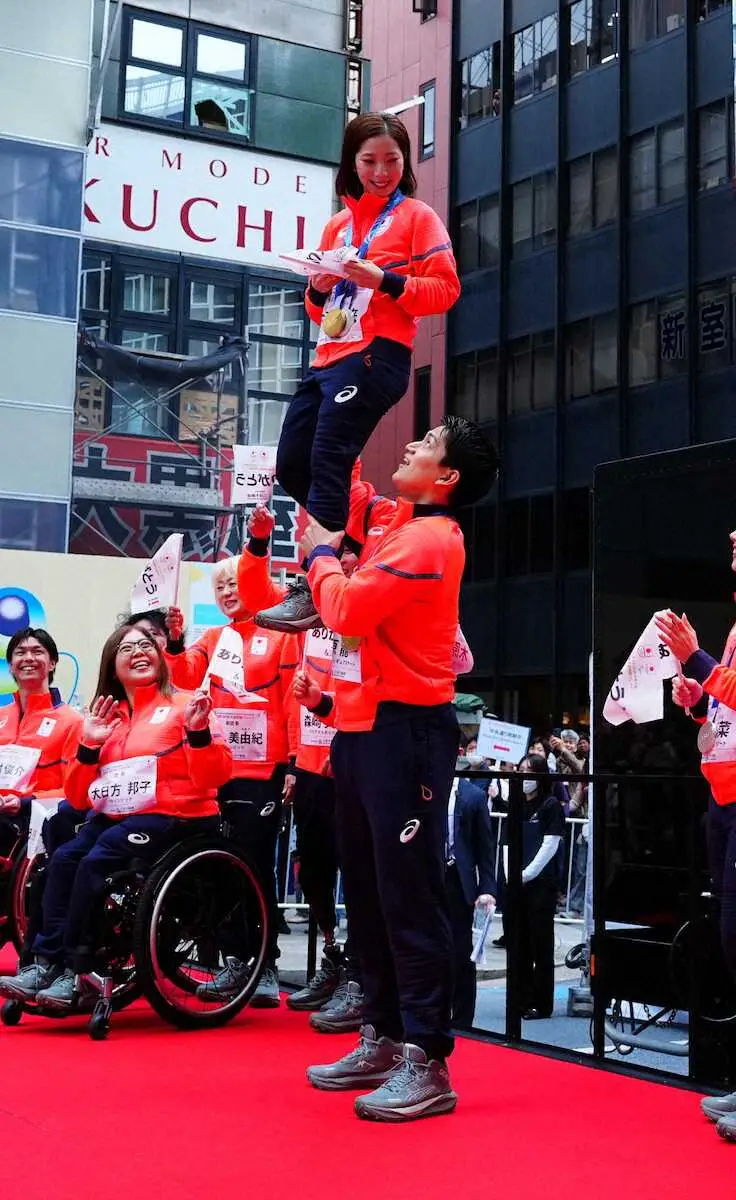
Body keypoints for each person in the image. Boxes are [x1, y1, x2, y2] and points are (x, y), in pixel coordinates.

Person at [299, 415, 499, 1122]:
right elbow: (342, 498)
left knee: (410, 897)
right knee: (371, 894)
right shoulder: (396, 527)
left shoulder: (428, 537)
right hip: (360, 730)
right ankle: (381, 1036)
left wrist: (322, 558)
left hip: (406, 734)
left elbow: (347, 609)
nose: (411, 445)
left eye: (427, 444)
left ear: (447, 477)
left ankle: (428, 1060)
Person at [256, 110, 461, 633]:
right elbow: (318, 311)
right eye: (369, 161)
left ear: (405, 163)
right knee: (291, 463)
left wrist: (385, 279)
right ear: (351, 163)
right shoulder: (337, 225)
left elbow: (445, 289)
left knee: (329, 453)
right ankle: (351, 538)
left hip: (379, 354)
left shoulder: (417, 216)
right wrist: (318, 289)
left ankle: (312, 581)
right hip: (329, 356)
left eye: (392, 161)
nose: (380, 171)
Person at [0, 625, 228, 1009]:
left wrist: (199, 732)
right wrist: (89, 745)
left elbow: (214, 778)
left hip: (177, 817)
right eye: (127, 648)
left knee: (95, 859)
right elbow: (76, 795)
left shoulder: (186, 704)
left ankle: (80, 969)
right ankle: (45, 963)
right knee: (62, 858)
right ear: (113, 665)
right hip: (117, 818)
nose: (139, 651)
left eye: (146, 645)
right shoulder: (106, 717)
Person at [164, 517, 299, 1008]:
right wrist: (176, 640)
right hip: (217, 768)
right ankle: (232, 960)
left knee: (253, 864)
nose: (227, 591)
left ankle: (262, 965)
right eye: (219, 586)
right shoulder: (214, 637)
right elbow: (183, 674)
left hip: (265, 773)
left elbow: (290, 702)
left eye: (234, 582)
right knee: (218, 868)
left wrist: (292, 765)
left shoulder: (282, 635)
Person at [655, 583, 736, 1142]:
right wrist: (698, 701)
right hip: (722, 797)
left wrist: (696, 660)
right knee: (732, 941)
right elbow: (727, 707)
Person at [503, 754, 564, 1020]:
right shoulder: (515, 803)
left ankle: (541, 1002)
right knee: (519, 943)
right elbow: (506, 841)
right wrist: (511, 874)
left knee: (541, 943)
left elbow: (550, 844)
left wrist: (526, 874)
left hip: (540, 884)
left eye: (530, 771)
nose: (524, 775)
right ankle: (520, 998)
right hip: (516, 884)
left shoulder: (550, 805)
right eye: (521, 770)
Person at [445, 772, 496, 1028]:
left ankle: (463, 1019)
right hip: (430, 877)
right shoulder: (423, 789)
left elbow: (485, 846)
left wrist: (487, 887)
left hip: (458, 878)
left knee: (460, 951)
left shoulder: (473, 796)